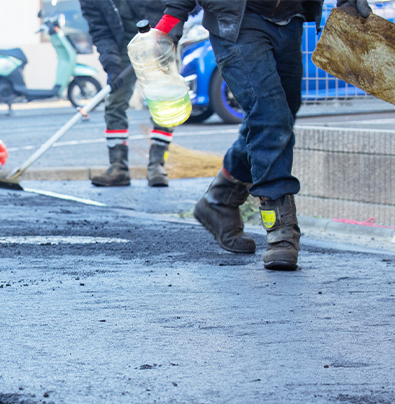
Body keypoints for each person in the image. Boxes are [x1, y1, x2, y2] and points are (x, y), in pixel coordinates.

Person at [158, 0, 371, 270]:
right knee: (270, 117)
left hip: (289, 17)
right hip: (239, 20)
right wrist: (171, 19)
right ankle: (281, 230)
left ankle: (220, 199)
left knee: (280, 114)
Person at [79, 0, 174, 188]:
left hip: (158, 35)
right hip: (123, 45)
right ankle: (118, 168)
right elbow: (100, 30)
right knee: (115, 102)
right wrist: (112, 65)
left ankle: (157, 166)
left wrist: (170, 30)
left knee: (163, 101)